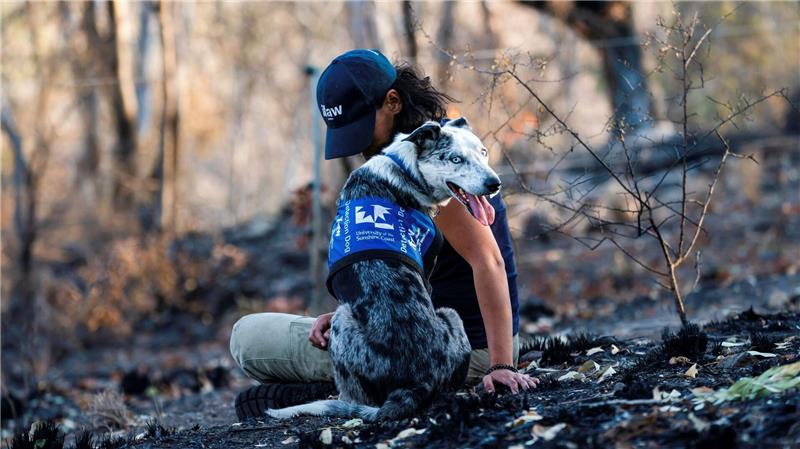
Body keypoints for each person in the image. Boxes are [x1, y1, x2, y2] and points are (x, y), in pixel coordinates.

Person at [229, 49, 535, 421]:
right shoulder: (433, 149)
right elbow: (401, 269)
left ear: (392, 102)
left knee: (248, 338)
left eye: (360, 128)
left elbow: (489, 261)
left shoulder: (431, 168)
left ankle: (347, 393)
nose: (356, 145)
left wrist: (500, 366)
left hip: (456, 353)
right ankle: (351, 384)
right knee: (299, 330)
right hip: (424, 336)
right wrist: (356, 308)